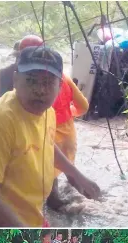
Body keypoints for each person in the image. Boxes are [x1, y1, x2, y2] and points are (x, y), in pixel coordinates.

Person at [0, 45, 101, 227]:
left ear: (60, 86)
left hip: (32, 216)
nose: (40, 90)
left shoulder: (47, 112)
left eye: (48, 82)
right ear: (15, 79)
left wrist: (74, 174)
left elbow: (45, 144)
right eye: (31, 81)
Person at [47, 73, 89, 209]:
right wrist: (70, 111)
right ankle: (85, 199)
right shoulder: (65, 78)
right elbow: (83, 106)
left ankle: (54, 200)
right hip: (68, 133)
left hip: (49, 131)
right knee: (70, 168)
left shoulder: (34, 82)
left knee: (51, 173)